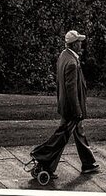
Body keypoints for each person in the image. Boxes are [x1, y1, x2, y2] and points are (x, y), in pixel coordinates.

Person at [29, 30, 99, 178]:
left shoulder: (64, 56)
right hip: (71, 108)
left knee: (76, 133)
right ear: (74, 44)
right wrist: (77, 110)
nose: (81, 44)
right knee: (62, 136)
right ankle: (43, 159)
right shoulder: (72, 63)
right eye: (79, 42)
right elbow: (71, 90)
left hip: (65, 106)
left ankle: (88, 164)